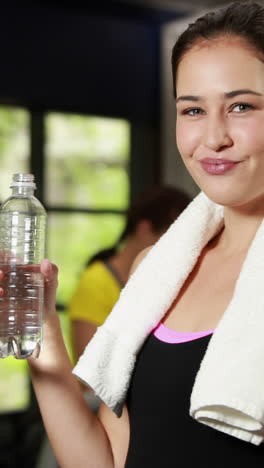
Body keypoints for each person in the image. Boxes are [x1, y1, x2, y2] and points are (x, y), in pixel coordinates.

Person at [7, 1, 264, 466]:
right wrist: (45, 346)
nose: (213, 138)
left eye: (241, 106)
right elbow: (102, 461)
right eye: (192, 110)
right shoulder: (158, 270)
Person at [68, 185, 191, 362]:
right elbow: (87, 367)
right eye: (170, 236)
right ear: (144, 229)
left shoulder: (166, 281)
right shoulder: (95, 282)